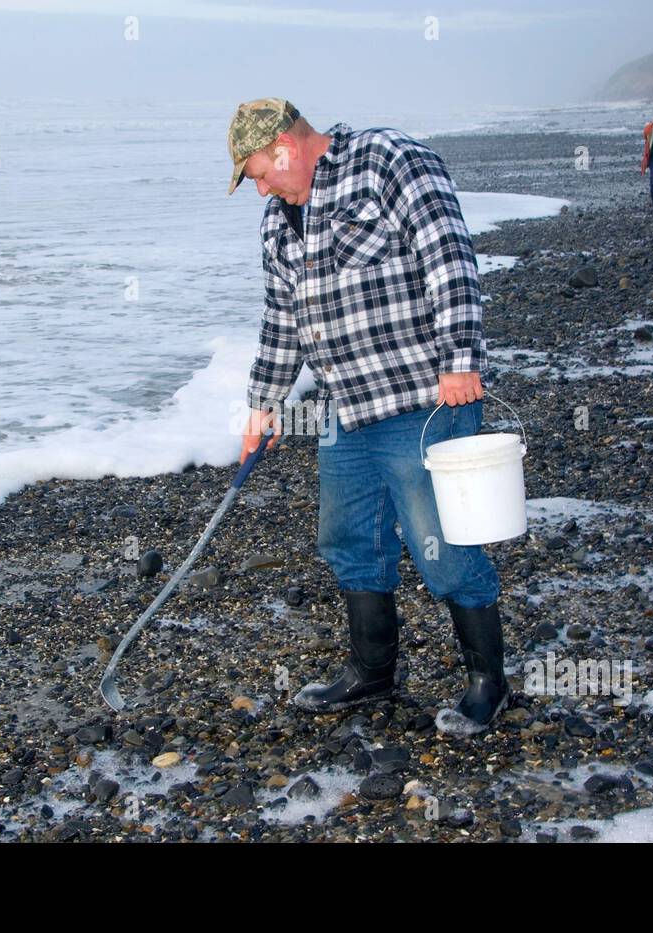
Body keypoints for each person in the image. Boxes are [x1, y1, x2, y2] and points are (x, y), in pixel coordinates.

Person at [226, 98, 510, 736]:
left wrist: (461, 359)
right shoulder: (278, 221)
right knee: (349, 541)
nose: (261, 189)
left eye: (260, 173)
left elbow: (450, 259)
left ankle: (488, 682)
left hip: (422, 404)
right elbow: (281, 322)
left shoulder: (387, 161)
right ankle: (372, 673)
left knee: (443, 546)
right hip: (342, 413)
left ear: (284, 146)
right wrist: (263, 406)